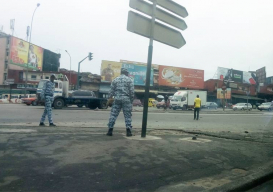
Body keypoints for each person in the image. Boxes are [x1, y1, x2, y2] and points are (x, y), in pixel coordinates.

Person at [106, 68, 134, 137]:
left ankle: (110, 130)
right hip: (126, 99)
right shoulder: (129, 80)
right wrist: (131, 100)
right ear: (126, 73)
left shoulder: (115, 80)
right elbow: (132, 92)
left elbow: (111, 91)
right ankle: (128, 131)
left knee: (113, 114)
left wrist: (109, 98)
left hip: (117, 98)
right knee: (127, 115)